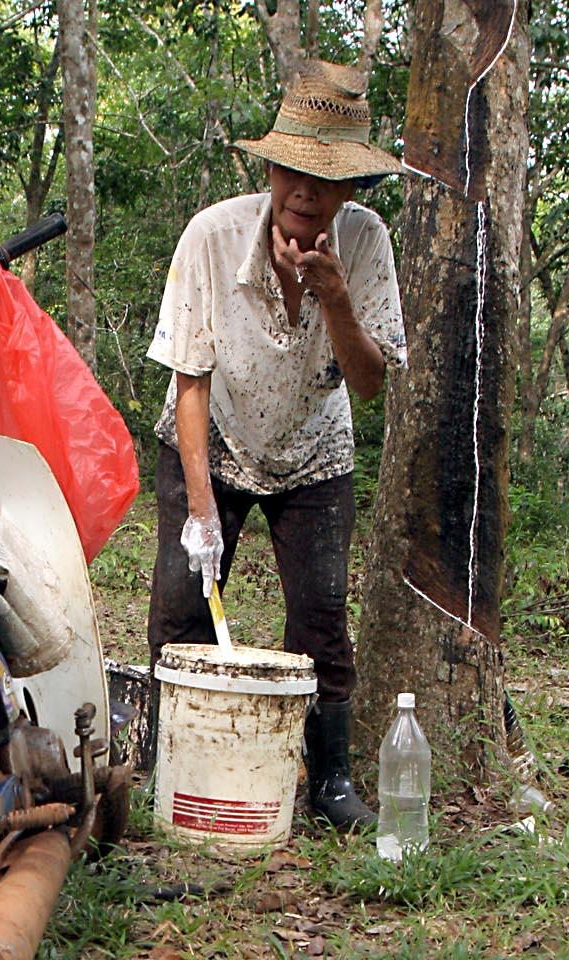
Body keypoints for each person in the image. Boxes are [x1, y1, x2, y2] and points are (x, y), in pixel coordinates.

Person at [146, 59, 407, 831]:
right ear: (269, 170)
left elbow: (368, 381)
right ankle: (172, 760)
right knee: (180, 604)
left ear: (351, 189)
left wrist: (333, 295)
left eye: (324, 181)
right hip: (214, 435)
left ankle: (328, 782)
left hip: (315, 451)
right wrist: (201, 511)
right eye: (291, 172)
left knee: (322, 615)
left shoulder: (367, 246)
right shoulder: (213, 237)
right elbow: (189, 378)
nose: (304, 193)